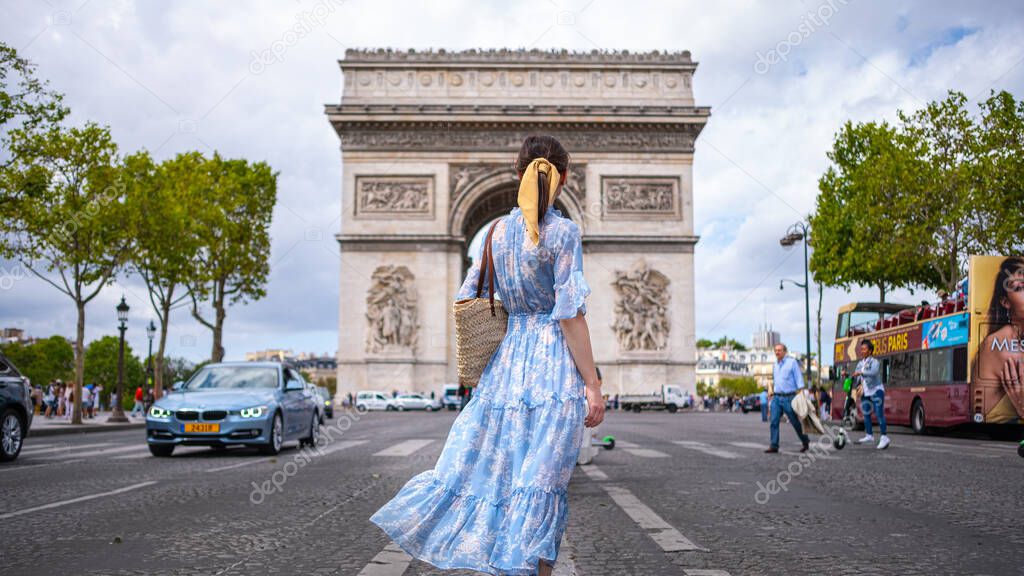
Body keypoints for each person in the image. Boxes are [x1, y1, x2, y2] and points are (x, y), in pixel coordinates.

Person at [370, 135, 603, 576]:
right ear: (565, 179)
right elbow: (570, 315)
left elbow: (468, 296)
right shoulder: (564, 233)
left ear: (518, 174)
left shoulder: (495, 234)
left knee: (502, 482)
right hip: (552, 374)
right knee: (540, 488)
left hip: (505, 373)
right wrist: (592, 384)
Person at [766, 343, 810, 454]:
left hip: (789, 397)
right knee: (774, 421)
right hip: (776, 397)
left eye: (779, 350)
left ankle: (805, 441)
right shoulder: (775, 365)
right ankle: (774, 445)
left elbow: (799, 379)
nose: (777, 352)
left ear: (785, 351)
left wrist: (801, 395)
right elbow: (776, 380)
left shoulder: (792, 363)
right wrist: (771, 390)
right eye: (775, 350)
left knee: (795, 422)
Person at [853, 340, 889, 449]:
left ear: (870, 351)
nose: (862, 351)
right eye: (861, 349)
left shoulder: (875, 362)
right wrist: (848, 375)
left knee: (879, 414)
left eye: (864, 349)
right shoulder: (860, 363)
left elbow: (873, 372)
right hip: (866, 391)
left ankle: (884, 437)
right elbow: (857, 376)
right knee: (866, 414)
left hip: (876, 391)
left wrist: (861, 373)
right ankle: (869, 435)